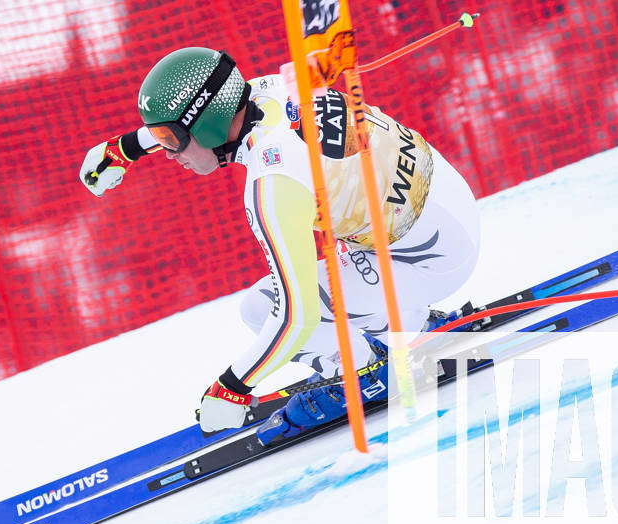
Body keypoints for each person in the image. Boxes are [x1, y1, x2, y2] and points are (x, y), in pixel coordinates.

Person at [80, 47, 479, 445]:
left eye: (172, 139)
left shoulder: (273, 185)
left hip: (427, 259)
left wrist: (233, 386)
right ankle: (407, 321)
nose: (169, 153)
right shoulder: (265, 93)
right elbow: (204, 105)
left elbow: (296, 316)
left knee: (260, 307)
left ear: (206, 126)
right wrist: (125, 148)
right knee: (328, 275)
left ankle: (363, 375)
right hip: (444, 209)